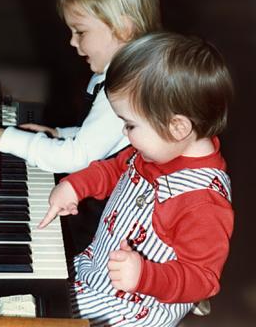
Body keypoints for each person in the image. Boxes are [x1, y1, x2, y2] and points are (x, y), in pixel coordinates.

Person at [0, 0, 162, 254]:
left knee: (52, 247)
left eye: (80, 32)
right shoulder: (126, 72)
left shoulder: (129, 86)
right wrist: (59, 133)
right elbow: (102, 135)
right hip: (107, 192)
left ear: (123, 28)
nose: (72, 42)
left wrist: (5, 138)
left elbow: (75, 158)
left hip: (108, 216)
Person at [38, 32, 234, 326]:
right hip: (97, 271)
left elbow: (202, 279)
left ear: (177, 127)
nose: (123, 134)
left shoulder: (201, 201)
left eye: (130, 124)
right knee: (38, 291)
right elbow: (116, 169)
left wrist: (145, 275)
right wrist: (75, 185)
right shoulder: (156, 150)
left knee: (41, 313)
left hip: (136, 307)